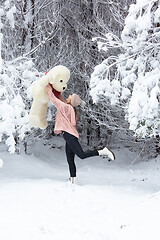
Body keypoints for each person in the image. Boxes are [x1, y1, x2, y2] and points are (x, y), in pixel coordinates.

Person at [46, 85, 115, 183]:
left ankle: (103, 151)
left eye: (70, 96)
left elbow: (54, 100)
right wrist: (56, 90)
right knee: (70, 159)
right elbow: (58, 98)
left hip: (70, 135)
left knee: (81, 155)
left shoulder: (66, 108)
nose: (68, 95)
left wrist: (47, 88)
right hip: (68, 135)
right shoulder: (68, 108)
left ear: (71, 101)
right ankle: (72, 180)